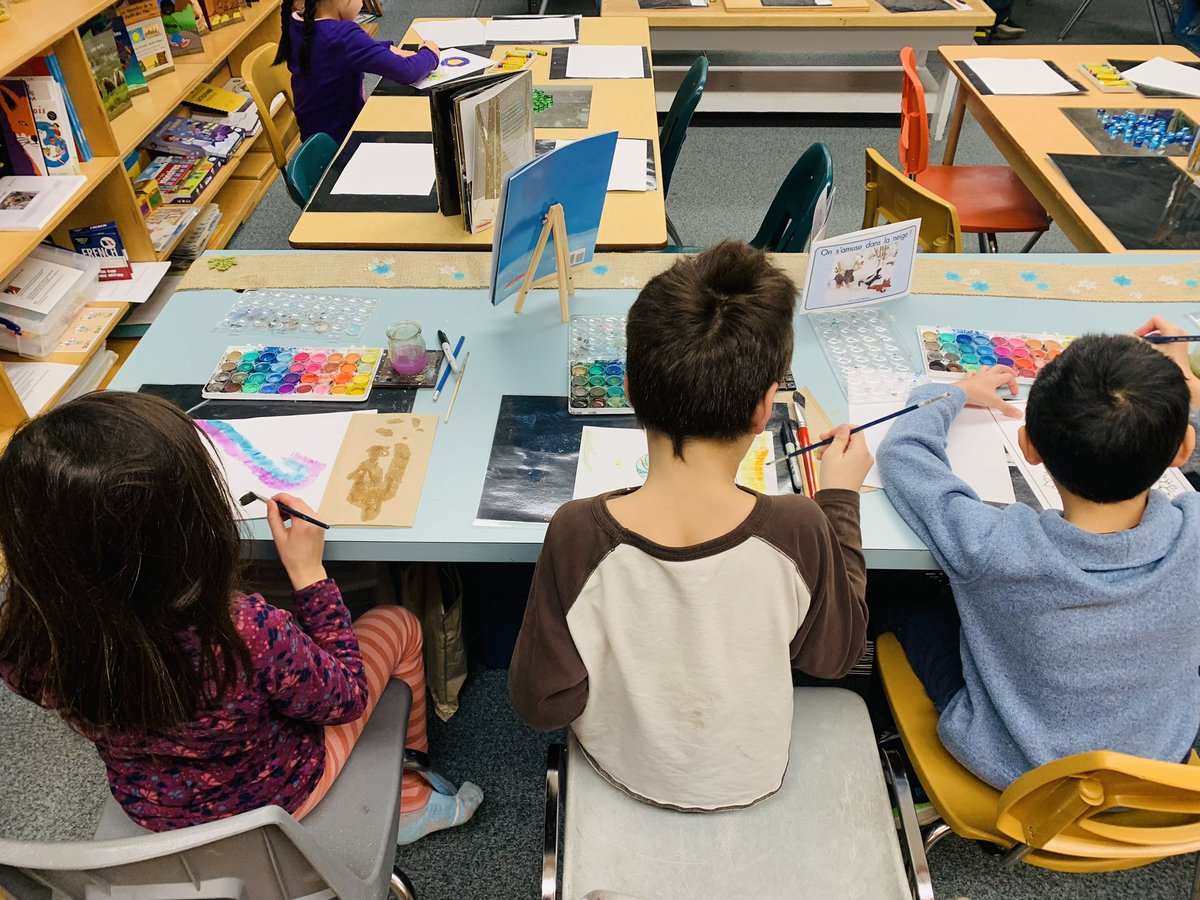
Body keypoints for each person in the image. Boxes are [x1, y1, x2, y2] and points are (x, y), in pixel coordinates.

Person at [0, 393, 481, 842]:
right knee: (400, 622)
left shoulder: (23, 641)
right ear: (191, 524)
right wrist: (310, 574)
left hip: (149, 807)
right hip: (277, 797)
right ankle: (411, 801)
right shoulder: (241, 629)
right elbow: (347, 697)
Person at [508, 241, 873, 812]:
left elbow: (542, 703)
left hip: (619, 770)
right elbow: (834, 657)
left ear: (629, 390)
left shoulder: (577, 531)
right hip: (753, 774)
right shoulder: (800, 527)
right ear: (763, 410)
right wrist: (840, 502)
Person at [874, 321, 1200, 789]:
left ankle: (893, 754)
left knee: (902, 593)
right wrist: (1184, 388)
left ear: (1029, 446)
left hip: (1014, 769)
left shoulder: (995, 543)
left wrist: (947, 393)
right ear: (1184, 450)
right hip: (1157, 770)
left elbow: (904, 456)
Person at [275, 0, 440, 145]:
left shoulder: (298, 22)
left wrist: (387, 48)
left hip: (317, 139)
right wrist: (431, 53)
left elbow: (333, 51)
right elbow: (408, 71)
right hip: (344, 141)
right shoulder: (344, 35)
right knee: (420, 127)